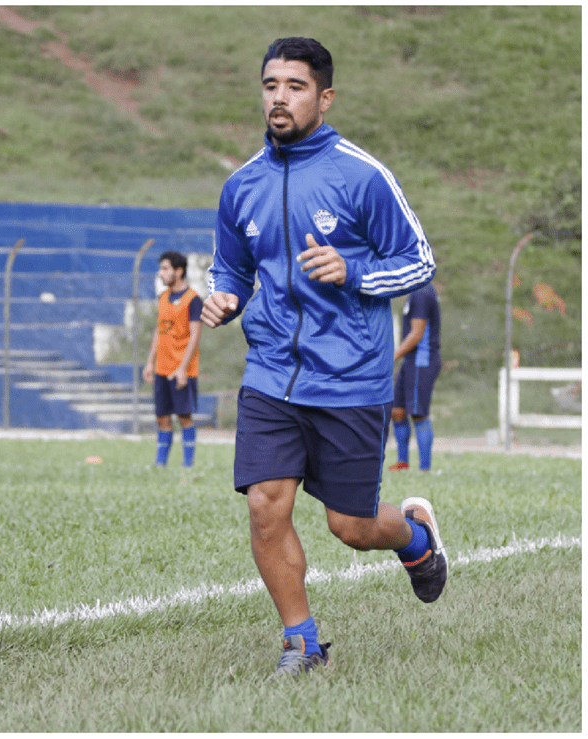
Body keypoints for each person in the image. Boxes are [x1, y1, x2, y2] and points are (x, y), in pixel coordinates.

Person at [202, 37, 445, 678]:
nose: (280, 97)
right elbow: (233, 267)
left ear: (324, 96)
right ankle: (302, 644)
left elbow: (419, 261)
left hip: (351, 376)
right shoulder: (241, 186)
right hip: (271, 372)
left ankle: (415, 535)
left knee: (351, 526)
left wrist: (353, 269)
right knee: (265, 504)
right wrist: (224, 297)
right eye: (271, 85)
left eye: (296, 86)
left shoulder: (361, 175)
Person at [142, 251, 203, 468]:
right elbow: (159, 332)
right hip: (162, 368)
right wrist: (150, 362)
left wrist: (183, 369)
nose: (162, 273)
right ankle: (160, 464)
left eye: (166, 268)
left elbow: (195, 336)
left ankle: (188, 464)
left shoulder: (193, 299)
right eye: (161, 268)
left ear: (179, 271)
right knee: (162, 417)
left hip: (181, 370)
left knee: (184, 417)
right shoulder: (163, 298)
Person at [390, 283, 442, 471]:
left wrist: (392, 357)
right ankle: (403, 463)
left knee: (419, 413)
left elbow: (417, 333)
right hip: (410, 362)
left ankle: (424, 468)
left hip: (422, 360)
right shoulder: (414, 293)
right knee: (397, 411)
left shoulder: (421, 293)